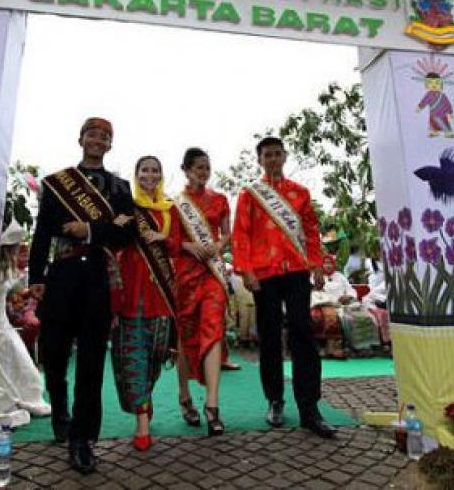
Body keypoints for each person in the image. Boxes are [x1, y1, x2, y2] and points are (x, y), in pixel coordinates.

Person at [28, 117, 135, 475]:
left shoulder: (119, 187)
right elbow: (42, 233)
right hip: (60, 278)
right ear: (81, 139)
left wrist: (89, 229)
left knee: (91, 362)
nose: (98, 140)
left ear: (110, 145)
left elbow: (125, 232)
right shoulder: (58, 184)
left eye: (105, 136)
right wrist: (36, 278)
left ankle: (83, 439)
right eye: (92, 134)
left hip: (97, 281)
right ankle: (59, 408)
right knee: (55, 355)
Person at [232, 136, 336, 438]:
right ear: (260, 159)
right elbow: (241, 234)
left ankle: (309, 408)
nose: (273, 159)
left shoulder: (300, 193)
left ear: (285, 156)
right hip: (264, 274)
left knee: (303, 332)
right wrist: (246, 270)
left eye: (278, 154)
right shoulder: (250, 194)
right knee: (269, 337)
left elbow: (312, 231)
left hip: (296, 271)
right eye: (268, 155)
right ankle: (275, 399)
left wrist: (316, 263)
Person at [110, 156, 179, 451]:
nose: (149, 175)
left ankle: (144, 398)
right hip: (131, 289)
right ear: (135, 175)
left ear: (161, 176)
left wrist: (162, 236)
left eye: (155, 170)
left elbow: (177, 244)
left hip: (161, 292)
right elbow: (110, 241)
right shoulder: (126, 205)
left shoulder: (170, 209)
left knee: (155, 356)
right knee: (134, 356)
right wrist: (117, 224)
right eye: (144, 170)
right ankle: (142, 423)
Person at [172, 147, 229, 436]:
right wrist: (187, 245)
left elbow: (226, 233)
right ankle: (184, 396)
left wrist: (217, 247)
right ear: (186, 169)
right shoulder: (175, 203)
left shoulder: (220, 200)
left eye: (207, 167)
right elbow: (170, 239)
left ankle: (212, 406)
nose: (203, 172)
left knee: (213, 328)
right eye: (198, 168)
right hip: (185, 274)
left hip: (212, 273)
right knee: (186, 334)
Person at [0, 222, 51, 433]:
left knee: (15, 363)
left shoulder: (4, 267)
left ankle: (17, 396)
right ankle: (7, 398)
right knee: (2, 363)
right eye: (16, 247)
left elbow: (11, 293)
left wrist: (28, 293)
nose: (18, 250)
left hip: (1, 324)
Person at [310, 255, 354, 359]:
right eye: (326, 263)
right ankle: (326, 347)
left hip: (340, 305)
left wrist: (348, 296)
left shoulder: (340, 277)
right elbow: (312, 290)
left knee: (354, 316)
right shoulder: (316, 275)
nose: (328, 266)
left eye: (330, 263)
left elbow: (350, 290)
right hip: (321, 302)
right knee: (322, 316)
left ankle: (359, 347)